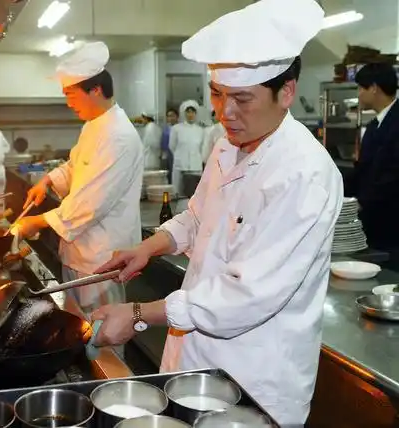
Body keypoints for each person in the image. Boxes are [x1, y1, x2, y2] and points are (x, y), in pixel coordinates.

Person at [90, 0, 343, 425]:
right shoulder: (230, 144)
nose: (225, 112)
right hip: (196, 360)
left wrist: (137, 314)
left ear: (286, 92)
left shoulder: (303, 174)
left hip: (254, 377)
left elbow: (245, 296)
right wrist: (148, 248)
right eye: (218, 94)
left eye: (242, 98)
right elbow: (198, 216)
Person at [12, 41, 144, 320]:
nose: (68, 103)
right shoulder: (94, 125)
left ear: (95, 90)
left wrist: (36, 222)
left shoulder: (118, 136)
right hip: (80, 252)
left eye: (71, 95)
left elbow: (91, 203)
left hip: (101, 259)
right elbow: (76, 166)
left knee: (102, 331)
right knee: (78, 326)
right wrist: (48, 180)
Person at [347, 62, 399, 265]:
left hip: (391, 222)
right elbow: (363, 169)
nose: (359, 94)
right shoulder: (374, 125)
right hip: (372, 220)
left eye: (361, 88)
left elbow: (394, 173)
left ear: (375, 88)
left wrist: (364, 201)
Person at [169, 100, 204, 196]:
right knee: (179, 194)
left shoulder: (200, 130)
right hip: (180, 167)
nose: (190, 114)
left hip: (196, 168)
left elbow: (202, 149)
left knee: (195, 195)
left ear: (196, 114)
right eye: (188, 112)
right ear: (183, 113)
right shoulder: (176, 129)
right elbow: (172, 146)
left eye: (193, 112)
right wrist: (180, 157)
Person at [161, 108, 179, 181]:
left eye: (172, 116)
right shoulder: (166, 130)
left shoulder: (180, 128)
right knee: (169, 175)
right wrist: (164, 157)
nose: (170, 118)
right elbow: (163, 145)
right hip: (169, 155)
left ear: (177, 117)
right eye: (168, 116)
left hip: (179, 154)